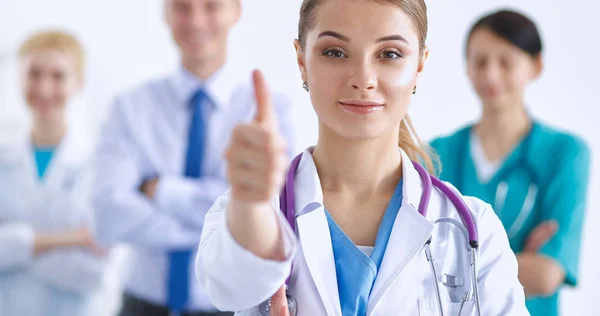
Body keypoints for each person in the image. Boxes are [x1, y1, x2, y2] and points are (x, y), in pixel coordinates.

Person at [195, 0, 530, 315]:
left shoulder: (473, 229)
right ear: (302, 62)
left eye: (389, 54)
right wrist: (252, 208)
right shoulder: (250, 212)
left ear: (420, 66)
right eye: (335, 52)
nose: (363, 79)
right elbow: (230, 286)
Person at [91, 0, 296, 315]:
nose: (196, 21)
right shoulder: (129, 107)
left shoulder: (270, 110)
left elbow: (275, 216)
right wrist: (225, 222)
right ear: (166, 12)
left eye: (211, 6)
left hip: (227, 309)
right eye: (182, 7)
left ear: (236, 10)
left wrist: (160, 191)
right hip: (140, 305)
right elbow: (108, 217)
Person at [430, 9, 591, 316]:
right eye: (480, 62)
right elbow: (414, 269)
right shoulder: (436, 153)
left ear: (536, 65)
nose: (491, 74)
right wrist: (519, 259)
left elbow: (546, 276)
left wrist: (453, 267)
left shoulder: (565, 153)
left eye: (506, 62)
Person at [0, 30, 107, 316]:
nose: (44, 88)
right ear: (19, 79)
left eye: (58, 76)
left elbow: (93, 274)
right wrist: (71, 238)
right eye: (33, 74)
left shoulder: (98, 165)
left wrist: (13, 247)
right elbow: (91, 241)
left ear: (78, 83)